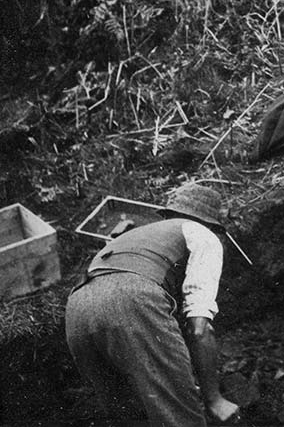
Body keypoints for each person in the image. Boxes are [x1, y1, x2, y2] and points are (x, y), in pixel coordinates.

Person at [65, 182, 241, 426]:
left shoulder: (135, 236)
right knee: (179, 416)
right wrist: (214, 399)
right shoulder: (203, 235)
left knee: (129, 415)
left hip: (76, 308)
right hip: (132, 299)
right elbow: (200, 328)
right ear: (210, 223)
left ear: (168, 214)